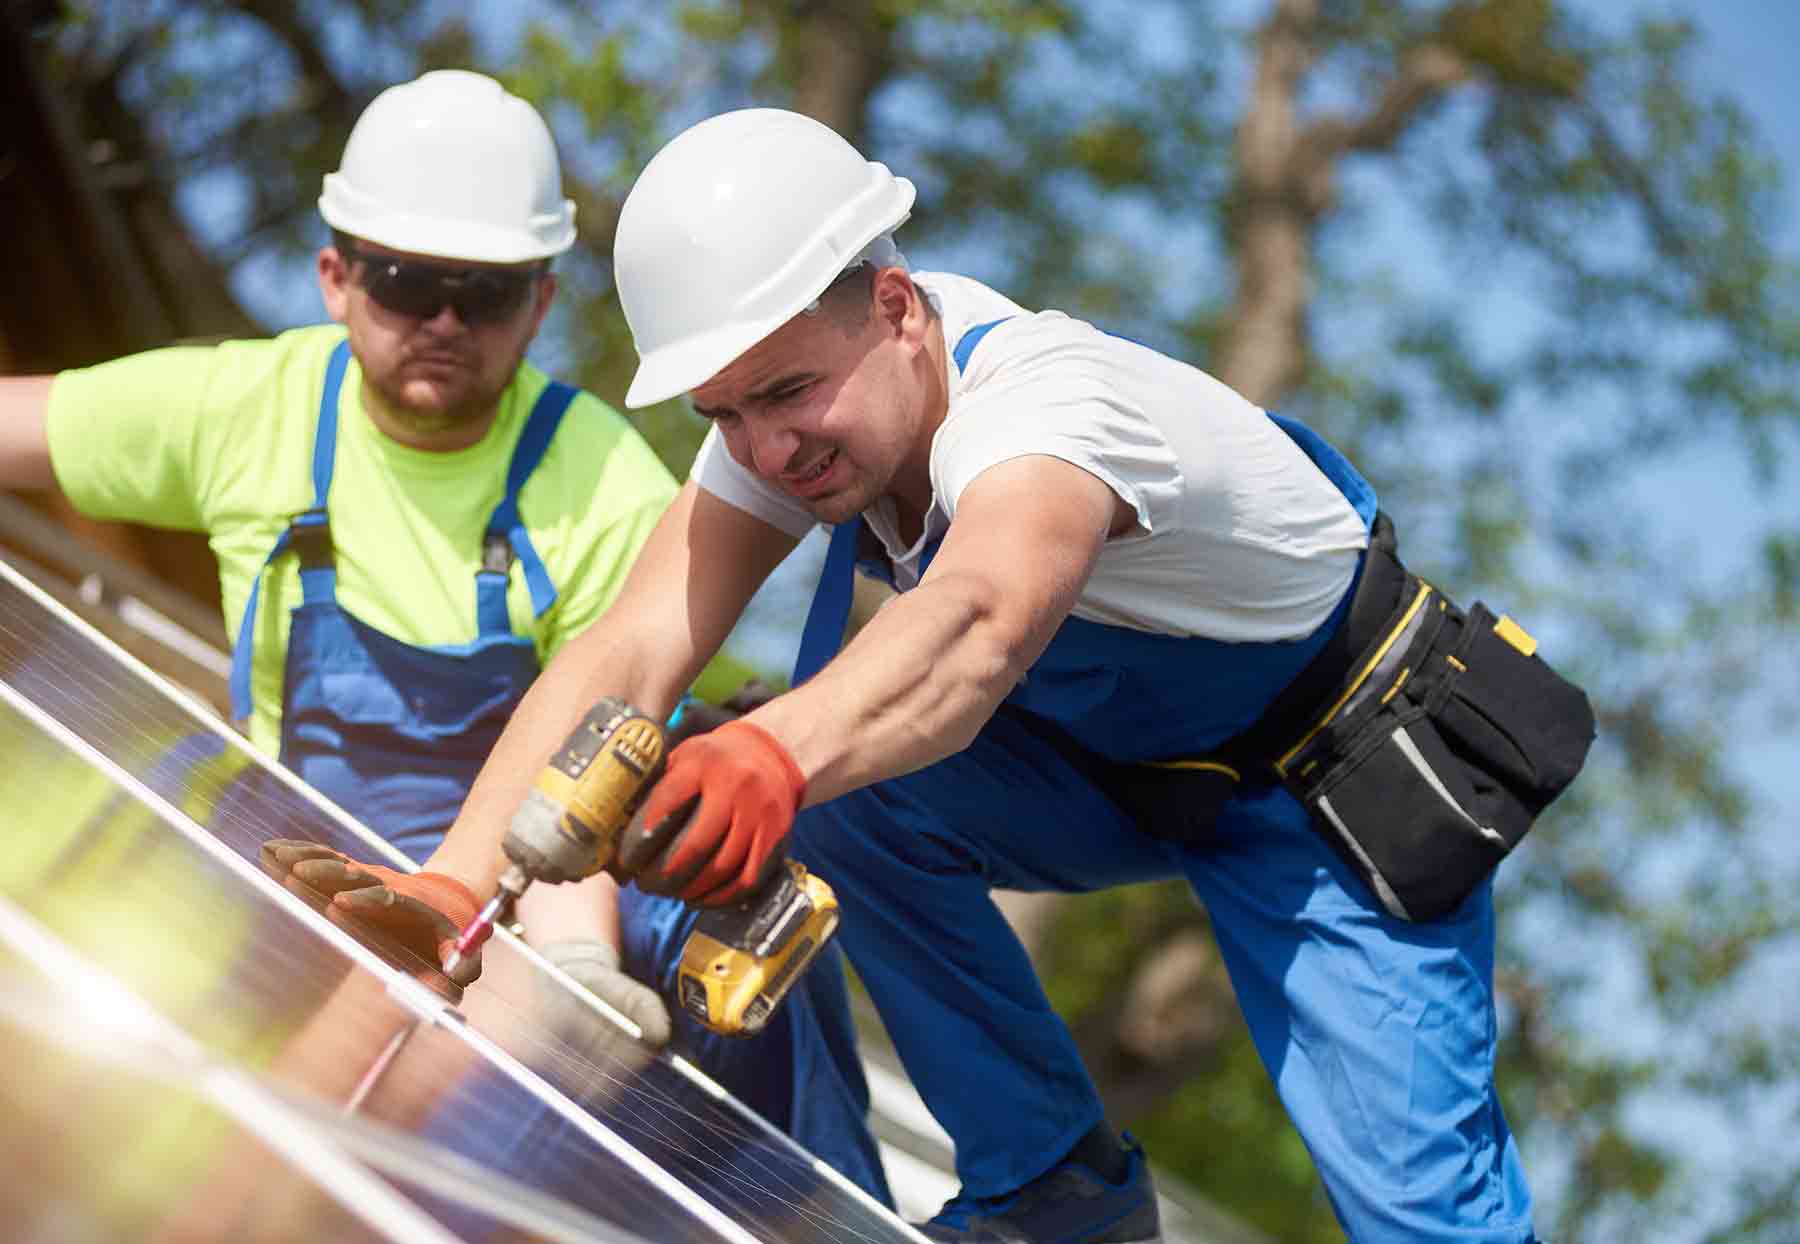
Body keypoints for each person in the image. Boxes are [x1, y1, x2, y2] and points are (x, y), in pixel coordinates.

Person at [299, 107, 1596, 1244]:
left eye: (788, 393)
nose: (765, 444)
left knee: (1422, 1211)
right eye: (724, 414)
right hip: (1121, 773)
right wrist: (458, 884)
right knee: (826, 782)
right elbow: (631, 647)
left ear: (898, 306)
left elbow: (978, 626)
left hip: (1331, 799)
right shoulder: (788, 413)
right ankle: (1052, 1194)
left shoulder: (1051, 407)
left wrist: (770, 754)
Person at [0, 78, 888, 1203]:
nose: (444, 321)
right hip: (293, 868)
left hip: (522, 900)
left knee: (727, 933)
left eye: (487, 292)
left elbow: (605, 754)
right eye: (408, 281)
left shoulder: (595, 471)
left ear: (541, 302)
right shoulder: (246, 409)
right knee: (132, 820)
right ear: (337, 277)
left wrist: (561, 976)